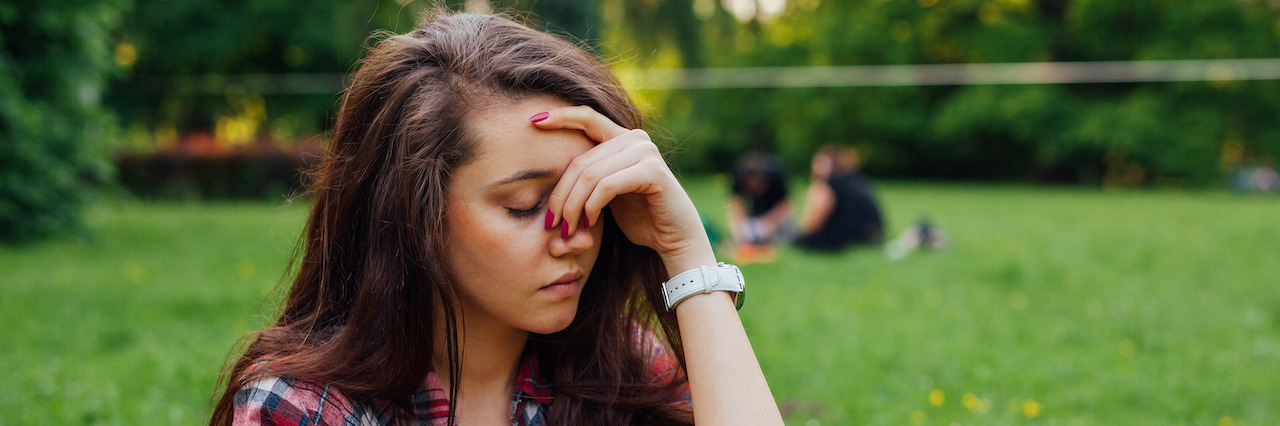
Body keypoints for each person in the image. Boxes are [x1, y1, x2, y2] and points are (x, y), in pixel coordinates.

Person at [210, 11, 782, 426]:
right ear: (413, 214)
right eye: (527, 206)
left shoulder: (621, 369)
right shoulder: (307, 407)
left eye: (593, 197)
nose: (576, 237)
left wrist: (686, 254)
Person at [795, 146, 884, 252]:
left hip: (845, 239)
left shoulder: (824, 186)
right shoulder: (859, 181)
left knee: (799, 241)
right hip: (873, 237)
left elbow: (815, 224)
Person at [727, 153, 792, 262]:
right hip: (756, 214)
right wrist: (740, 236)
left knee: (786, 236)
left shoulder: (777, 174)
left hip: (775, 212)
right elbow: (736, 205)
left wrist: (770, 224)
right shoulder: (738, 176)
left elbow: (785, 206)